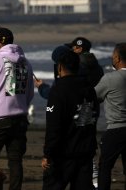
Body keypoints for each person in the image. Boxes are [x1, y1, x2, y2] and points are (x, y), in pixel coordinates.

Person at [0, 27, 34, 190]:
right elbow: (29, 92)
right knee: (16, 162)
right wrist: (20, 105)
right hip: (20, 118)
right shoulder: (26, 62)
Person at [42, 50, 98, 189]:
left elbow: (54, 127)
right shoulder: (89, 88)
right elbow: (94, 115)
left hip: (63, 154)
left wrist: (47, 154)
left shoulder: (58, 90)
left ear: (59, 67)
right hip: (86, 150)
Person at [95, 42, 126, 190]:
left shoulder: (111, 78)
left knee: (105, 168)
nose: (112, 59)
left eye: (113, 57)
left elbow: (93, 96)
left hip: (116, 129)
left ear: (118, 58)